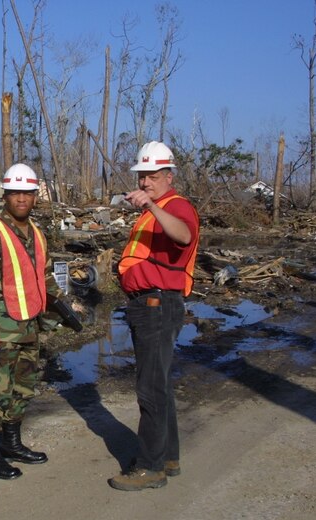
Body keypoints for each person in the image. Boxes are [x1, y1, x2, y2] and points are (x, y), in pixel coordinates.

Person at [108, 141, 200, 491]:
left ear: (168, 176)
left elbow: (184, 234)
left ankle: (150, 467)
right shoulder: (158, 208)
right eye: (142, 177)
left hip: (157, 306)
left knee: (149, 389)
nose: (145, 182)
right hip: (148, 305)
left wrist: (152, 206)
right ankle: (168, 457)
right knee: (158, 385)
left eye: (151, 177)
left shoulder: (177, 207)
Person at [0, 163, 60, 480]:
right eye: (15, 192)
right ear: (5, 195)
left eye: (27, 193)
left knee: (22, 388)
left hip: (29, 326)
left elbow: (45, 278)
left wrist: (60, 312)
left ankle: (12, 444)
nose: (22, 198)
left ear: (35, 196)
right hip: (0, 330)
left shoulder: (36, 234)